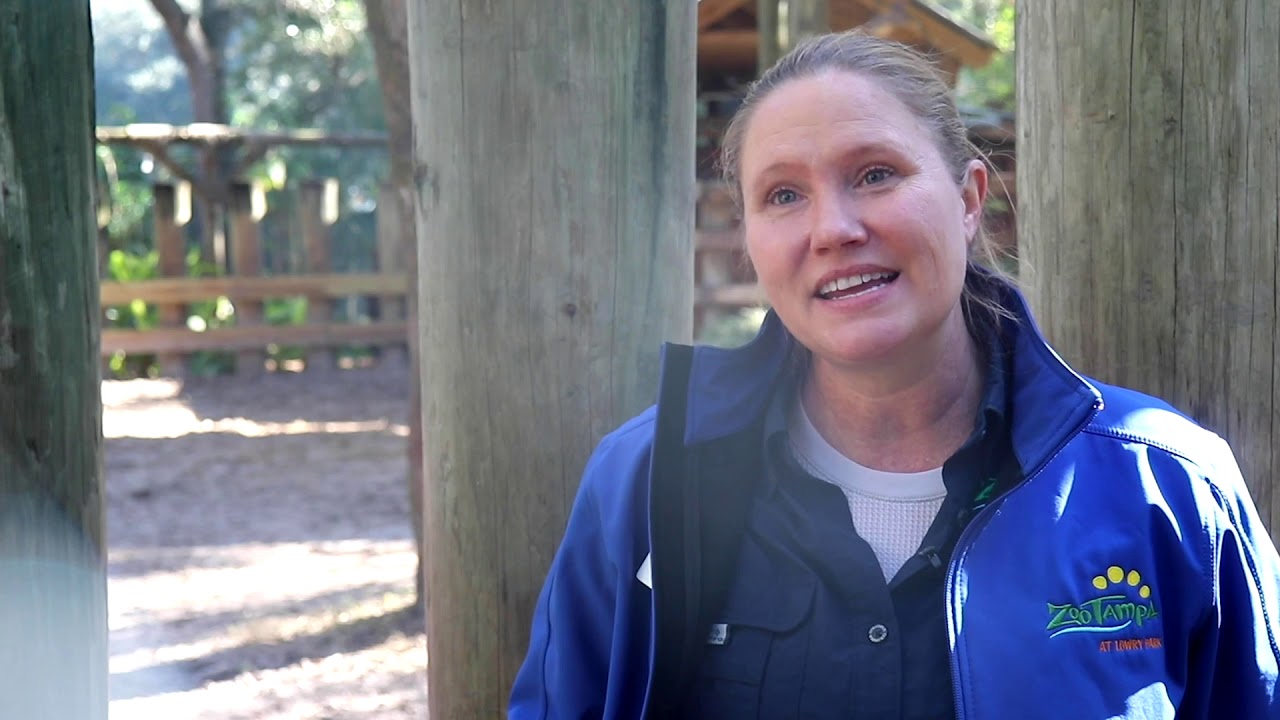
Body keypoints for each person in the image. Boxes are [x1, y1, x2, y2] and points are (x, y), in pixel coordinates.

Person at [509, 30, 1280, 719]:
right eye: (783, 194)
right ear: (748, 235)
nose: (834, 229)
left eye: (876, 174)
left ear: (970, 198)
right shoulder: (644, 484)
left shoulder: (1167, 487)